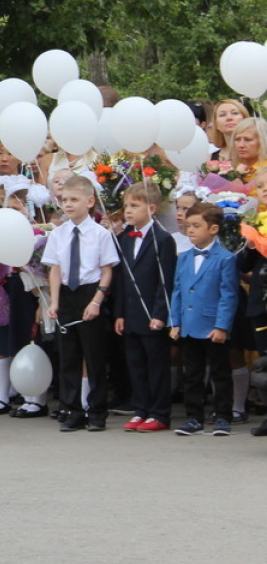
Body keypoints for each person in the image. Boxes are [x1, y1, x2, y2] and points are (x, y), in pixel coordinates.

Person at [44, 175, 120, 432]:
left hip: (90, 293)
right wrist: (54, 302)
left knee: (94, 356)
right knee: (68, 358)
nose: (68, 204)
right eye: (64, 200)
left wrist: (97, 301)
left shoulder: (100, 234)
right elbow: (55, 270)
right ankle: (72, 410)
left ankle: (97, 411)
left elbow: (107, 271)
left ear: (89, 201)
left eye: (74, 199)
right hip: (67, 294)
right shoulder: (59, 234)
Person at [169, 202, 240, 437]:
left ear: (213, 229)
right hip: (189, 325)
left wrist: (221, 326)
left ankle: (222, 417)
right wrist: (175, 322)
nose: (190, 230)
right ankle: (193, 417)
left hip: (212, 326)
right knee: (192, 373)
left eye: (196, 226)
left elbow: (228, 295)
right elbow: (178, 290)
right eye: (188, 226)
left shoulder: (226, 258)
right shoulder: (184, 257)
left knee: (220, 373)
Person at [111, 183, 176, 433]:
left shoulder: (163, 239)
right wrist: (119, 313)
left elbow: (165, 280)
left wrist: (161, 314)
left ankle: (159, 412)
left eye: (134, 206)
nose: (128, 211)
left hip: (152, 314)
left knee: (156, 364)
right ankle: (141, 409)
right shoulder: (123, 239)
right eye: (127, 205)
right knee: (135, 364)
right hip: (130, 313)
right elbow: (121, 280)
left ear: (151, 208)